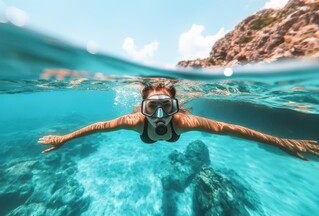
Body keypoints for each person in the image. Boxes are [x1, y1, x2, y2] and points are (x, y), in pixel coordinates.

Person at [38, 82, 319, 160]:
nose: (159, 115)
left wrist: (283, 142)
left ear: (175, 107)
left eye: (166, 107)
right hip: (147, 139)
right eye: (152, 108)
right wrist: (64, 138)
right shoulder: (136, 122)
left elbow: (235, 130)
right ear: (142, 108)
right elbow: (96, 127)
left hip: (171, 137)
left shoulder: (182, 123)